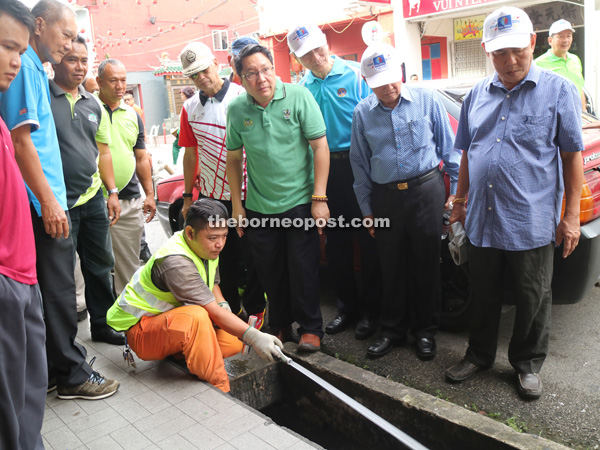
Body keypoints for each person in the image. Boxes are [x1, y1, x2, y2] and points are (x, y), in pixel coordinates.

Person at [445, 7, 584, 400]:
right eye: (499, 53)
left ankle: (526, 364)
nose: (509, 61)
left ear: (532, 43)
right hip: (482, 219)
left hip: (532, 219)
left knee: (533, 296)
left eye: (517, 51)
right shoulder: (476, 95)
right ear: (488, 52)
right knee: (483, 293)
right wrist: (459, 202)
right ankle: (479, 355)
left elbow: (572, 155)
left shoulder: (558, 90)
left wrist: (570, 217)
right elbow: (469, 152)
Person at [0, 0, 118, 400]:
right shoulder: (22, 68)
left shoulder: (35, 67)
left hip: (52, 199)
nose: (69, 46)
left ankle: (56, 366)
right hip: (41, 203)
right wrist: (49, 202)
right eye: (65, 35)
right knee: (58, 291)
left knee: (57, 288)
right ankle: (71, 373)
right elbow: (21, 140)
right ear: (39, 25)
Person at [350, 43, 459, 360]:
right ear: (367, 81)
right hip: (385, 199)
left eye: (391, 77)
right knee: (391, 265)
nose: (388, 87)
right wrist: (367, 210)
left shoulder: (426, 99)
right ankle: (393, 331)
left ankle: (425, 332)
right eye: (378, 82)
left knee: (426, 264)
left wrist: (455, 194)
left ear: (400, 70)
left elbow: (449, 148)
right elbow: (359, 164)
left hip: (426, 191)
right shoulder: (362, 114)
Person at [106, 199, 283, 392]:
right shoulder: (176, 263)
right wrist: (255, 336)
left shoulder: (204, 248)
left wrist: (223, 303)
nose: (220, 244)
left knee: (233, 343)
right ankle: (219, 386)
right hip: (141, 330)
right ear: (190, 233)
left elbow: (212, 283)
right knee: (198, 317)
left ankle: (179, 353)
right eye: (214, 238)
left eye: (224, 236)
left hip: (167, 321)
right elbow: (211, 310)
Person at [226, 44, 330, 352]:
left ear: (275, 69)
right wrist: (237, 205)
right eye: (252, 74)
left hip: (300, 200)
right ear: (241, 79)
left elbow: (320, 147)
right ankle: (281, 325)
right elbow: (233, 159)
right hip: (258, 206)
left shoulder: (299, 97)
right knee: (270, 271)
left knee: (303, 267)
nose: (261, 79)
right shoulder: (237, 109)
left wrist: (319, 197)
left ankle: (311, 328)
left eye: (266, 70)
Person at [287, 24, 382, 340]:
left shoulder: (357, 75)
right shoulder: (302, 89)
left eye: (317, 48)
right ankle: (347, 309)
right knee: (337, 244)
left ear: (326, 43)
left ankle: (372, 312)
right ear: (297, 58)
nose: (315, 57)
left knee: (369, 242)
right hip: (326, 174)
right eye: (306, 54)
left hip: (360, 169)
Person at [178, 42, 267, 328]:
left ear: (216, 63)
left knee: (253, 257)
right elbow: (190, 154)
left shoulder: (245, 97)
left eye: (204, 70)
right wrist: (187, 196)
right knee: (220, 259)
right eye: (194, 75)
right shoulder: (189, 108)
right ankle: (229, 313)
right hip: (212, 196)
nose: (201, 78)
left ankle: (256, 311)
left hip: (249, 194)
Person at [49, 34, 124, 345]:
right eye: (71, 59)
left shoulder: (92, 102)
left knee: (100, 266)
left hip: (92, 197)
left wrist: (112, 191)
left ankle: (103, 325)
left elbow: (102, 151)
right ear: (56, 61)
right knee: (61, 276)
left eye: (84, 60)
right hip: (56, 204)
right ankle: (63, 341)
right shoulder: (43, 96)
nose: (79, 67)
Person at [0, 2, 46, 448]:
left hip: (21, 274)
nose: (17, 59)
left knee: (27, 397)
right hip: (6, 279)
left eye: (20, 49)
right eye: (6, 47)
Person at [97, 58, 156, 295]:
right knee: (95, 264)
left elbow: (141, 157)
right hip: (92, 198)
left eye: (123, 80)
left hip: (129, 199)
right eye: (113, 80)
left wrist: (150, 194)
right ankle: (94, 316)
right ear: (99, 81)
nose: (120, 86)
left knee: (129, 265)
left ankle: (126, 318)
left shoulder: (133, 114)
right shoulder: (88, 108)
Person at [534, 19, 586, 110]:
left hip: (578, 116)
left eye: (568, 36)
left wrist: (584, 111)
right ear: (550, 40)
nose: (565, 40)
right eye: (561, 36)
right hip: (554, 119)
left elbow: (580, 88)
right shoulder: (538, 64)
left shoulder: (575, 59)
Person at [171, 85, 195, 164]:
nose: (181, 97)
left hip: (187, 131)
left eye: (182, 95)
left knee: (176, 146)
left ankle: (174, 164)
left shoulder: (187, 104)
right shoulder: (194, 102)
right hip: (192, 130)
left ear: (186, 94)